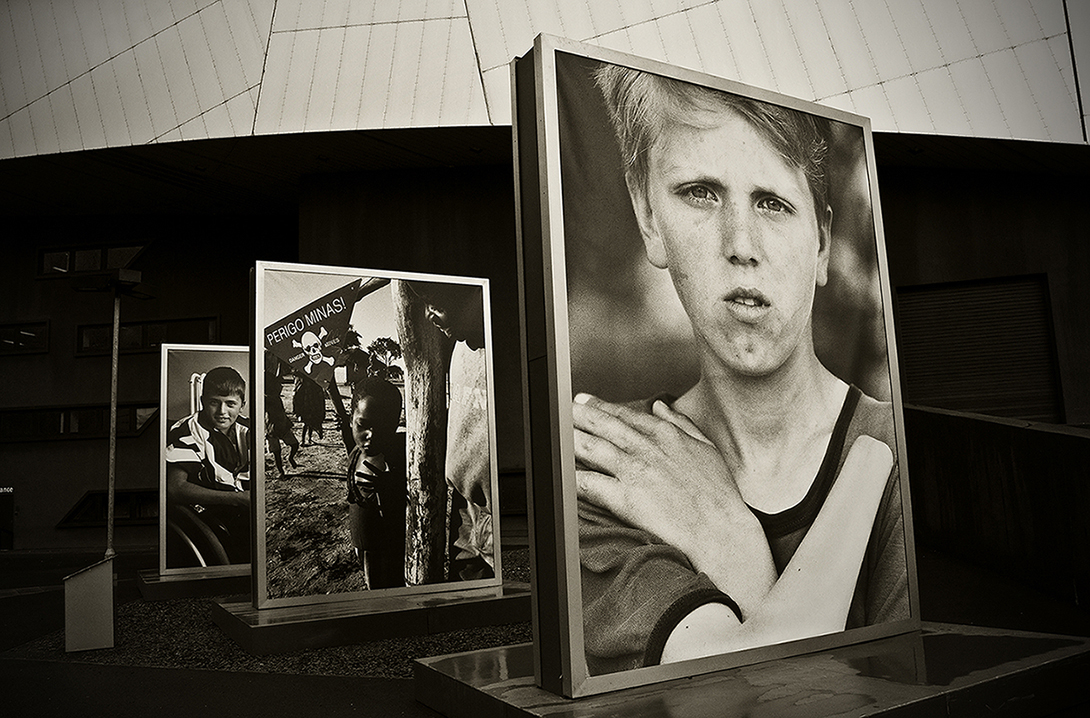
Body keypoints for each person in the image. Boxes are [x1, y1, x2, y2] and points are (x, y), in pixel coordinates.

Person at [572, 64, 908, 675]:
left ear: (822, 242)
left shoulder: (902, 454)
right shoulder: (614, 473)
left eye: (773, 203)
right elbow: (742, 698)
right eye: (700, 192)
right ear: (648, 216)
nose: (741, 245)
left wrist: (734, 544)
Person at [407, 280, 494, 580]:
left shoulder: (501, 352)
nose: (429, 315)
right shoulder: (458, 346)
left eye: (438, 306)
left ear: (475, 294)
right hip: (463, 506)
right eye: (426, 306)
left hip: (494, 514)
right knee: (463, 584)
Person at [165, 365, 251, 565]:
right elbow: (175, 488)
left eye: (230, 404)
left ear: (242, 405)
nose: (222, 411)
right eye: (214, 402)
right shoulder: (185, 430)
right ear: (202, 401)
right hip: (212, 511)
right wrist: (239, 499)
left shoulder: (250, 427)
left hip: (245, 506)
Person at [345, 376, 407, 589]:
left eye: (383, 427)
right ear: (351, 420)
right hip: (363, 542)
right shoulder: (356, 451)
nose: (371, 435)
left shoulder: (397, 457)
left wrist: (389, 488)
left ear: (395, 424)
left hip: (388, 549)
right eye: (363, 425)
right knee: (371, 582)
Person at [264, 351, 300, 477]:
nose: (280, 388)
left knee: (295, 445)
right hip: (271, 426)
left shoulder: (275, 394)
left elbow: (278, 375)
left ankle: (290, 458)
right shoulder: (266, 398)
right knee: (277, 452)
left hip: (282, 423)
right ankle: (281, 471)